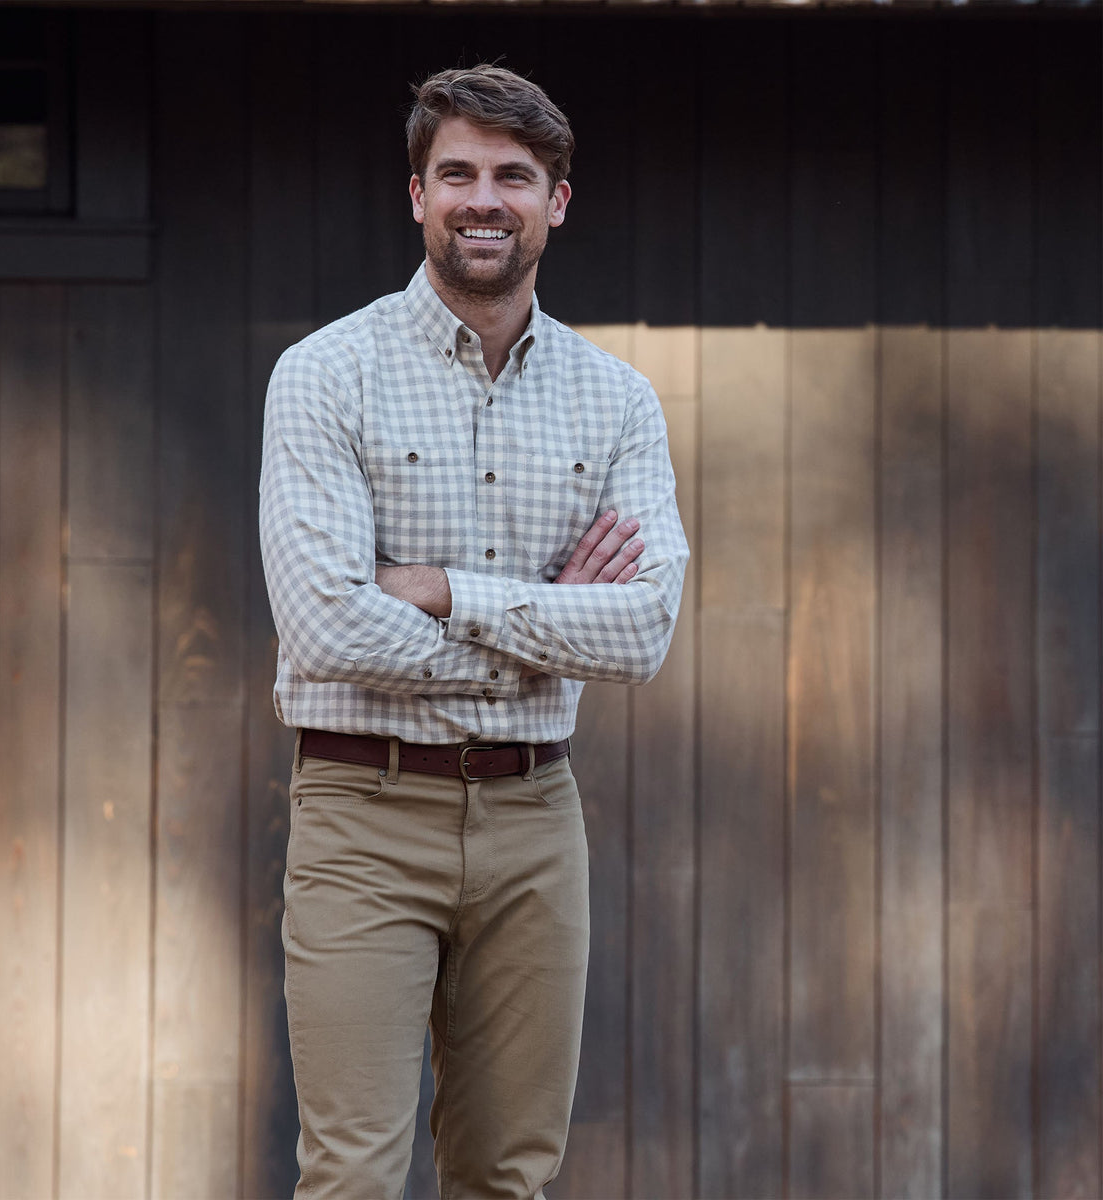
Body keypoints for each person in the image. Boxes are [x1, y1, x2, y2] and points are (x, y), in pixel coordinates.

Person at [259, 63, 689, 1199]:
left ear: (556, 200)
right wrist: (552, 617)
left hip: (534, 815)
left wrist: (447, 590)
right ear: (417, 196)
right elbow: (324, 628)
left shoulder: (618, 403)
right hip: (361, 812)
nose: (482, 198)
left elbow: (643, 631)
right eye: (457, 173)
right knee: (352, 1174)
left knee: (506, 1176)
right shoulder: (324, 377)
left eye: (514, 175)